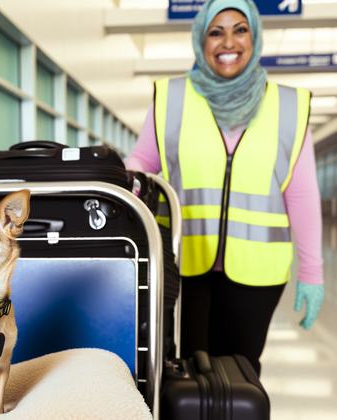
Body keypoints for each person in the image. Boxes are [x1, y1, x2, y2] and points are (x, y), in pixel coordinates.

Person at [126, 0, 324, 375]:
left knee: (241, 371)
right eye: (216, 32)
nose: (228, 41)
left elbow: (301, 194)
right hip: (186, 266)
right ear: (201, 40)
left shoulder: (288, 106)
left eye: (240, 29)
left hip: (258, 273)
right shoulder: (173, 99)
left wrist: (312, 270)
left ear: (255, 37)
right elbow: (142, 162)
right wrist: (132, 180)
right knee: (185, 369)